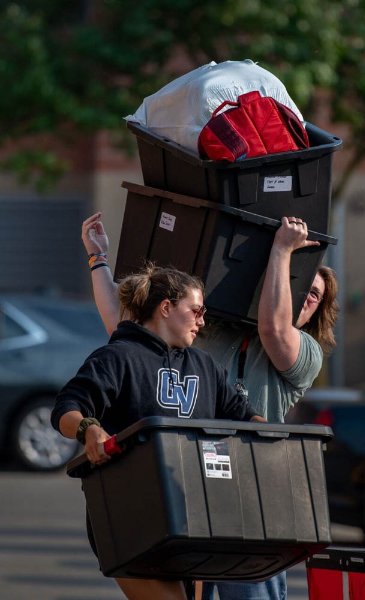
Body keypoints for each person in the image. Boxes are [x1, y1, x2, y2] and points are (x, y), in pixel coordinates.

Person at [80, 212, 339, 600]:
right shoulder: (207, 333)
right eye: (299, 287)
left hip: (254, 503)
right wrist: (99, 260)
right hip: (197, 493)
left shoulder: (306, 353)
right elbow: (123, 324)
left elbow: (272, 327)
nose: (303, 298)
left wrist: (283, 249)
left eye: (313, 295)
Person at [51, 264, 266, 600]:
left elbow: (244, 417)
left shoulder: (205, 366)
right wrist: (88, 428)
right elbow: (67, 408)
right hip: (130, 515)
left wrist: (277, 439)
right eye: (196, 311)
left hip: (194, 514)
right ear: (166, 308)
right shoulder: (117, 357)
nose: (202, 321)